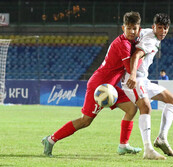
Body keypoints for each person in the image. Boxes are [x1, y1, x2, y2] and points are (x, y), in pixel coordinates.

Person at [41, 11, 143, 157]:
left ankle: (123, 145)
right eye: (129, 28)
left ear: (139, 28)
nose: (132, 31)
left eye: (135, 28)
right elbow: (129, 68)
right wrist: (142, 56)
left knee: (132, 109)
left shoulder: (129, 42)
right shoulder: (124, 45)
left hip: (110, 87)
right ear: (123, 28)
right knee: (85, 121)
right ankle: (50, 140)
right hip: (100, 86)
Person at [122, 13, 173, 160]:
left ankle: (161, 138)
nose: (163, 31)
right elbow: (136, 56)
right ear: (154, 27)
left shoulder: (148, 32)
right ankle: (148, 149)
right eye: (160, 28)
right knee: (146, 107)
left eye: (165, 28)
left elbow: (138, 32)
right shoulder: (150, 41)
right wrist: (133, 75)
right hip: (133, 79)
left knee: (172, 100)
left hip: (143, 79)